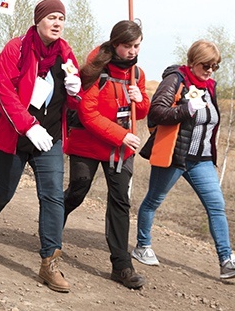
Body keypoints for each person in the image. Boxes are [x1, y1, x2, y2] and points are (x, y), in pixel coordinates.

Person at [0, 0, 81, 293]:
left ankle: (50, 262)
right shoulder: (16, 48)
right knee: (3, 191)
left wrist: (76, 91)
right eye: (52, 17)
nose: (57, 23)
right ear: (38, 20)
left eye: (61, 18)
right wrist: (28, 125)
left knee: (53, 196)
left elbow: (71, 100)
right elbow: (2, 90)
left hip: (49, 137)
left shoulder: (66, 54)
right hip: (14, 133)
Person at [134, 39, 235, 280]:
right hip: (175, 155)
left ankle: (226, 261)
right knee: (153, 200)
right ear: (192, 62)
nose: (210, 70)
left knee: (216, 206)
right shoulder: (176, 80)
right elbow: (156, 112)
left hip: (202, 160)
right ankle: (142, 246)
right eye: (206, 65)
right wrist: (185, 109)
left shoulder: (209, 86)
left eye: (215, 66)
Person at [63, 20, 149, 289]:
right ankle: (51, 228)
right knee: (78, 189)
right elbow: (88, 114)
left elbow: (142, 112)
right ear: (115, 44)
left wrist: (140, 99)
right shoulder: (94, 69)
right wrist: (121, 135)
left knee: (120, 201)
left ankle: (122, 265)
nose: (133, 51)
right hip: (88, 143)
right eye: (128, 46)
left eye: (136, 46)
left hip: (120, 151)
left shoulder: (138, 74)